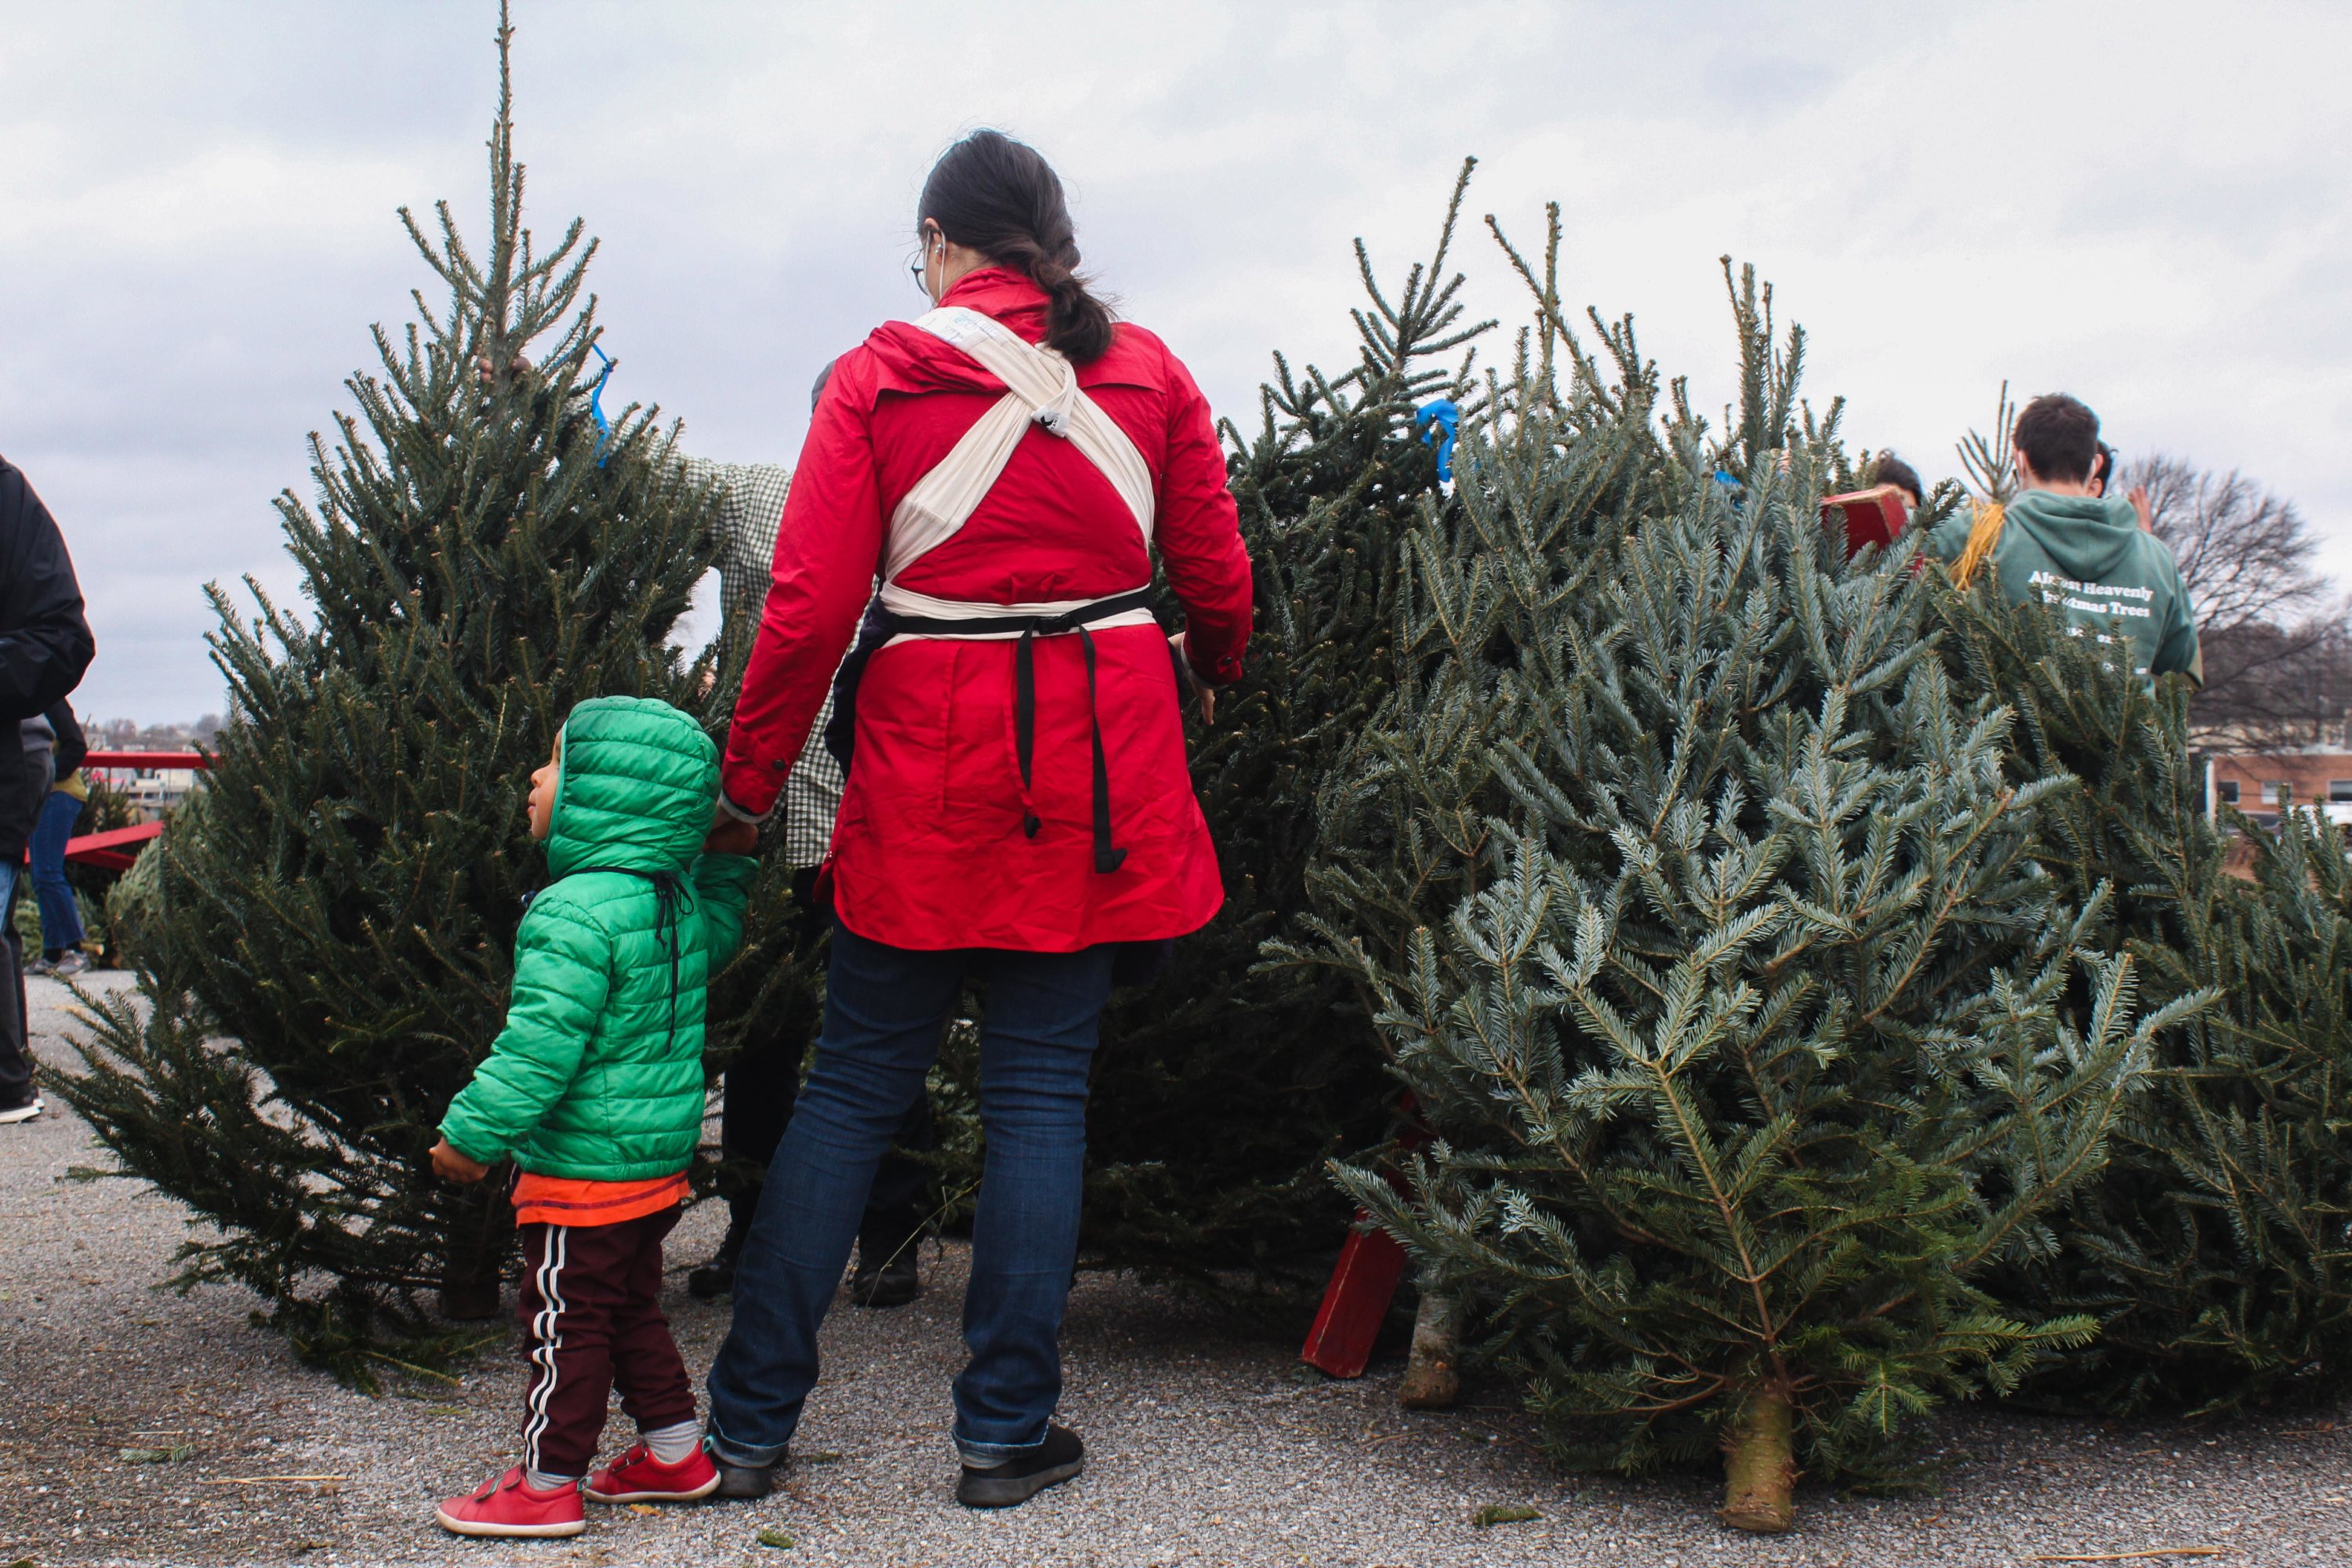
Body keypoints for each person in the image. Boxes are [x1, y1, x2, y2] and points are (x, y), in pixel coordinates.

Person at [700, 129, 1252, 1509]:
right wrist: (1220, 667)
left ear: (942, 243)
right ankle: (1004, 1433)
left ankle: (751, 1426)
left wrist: (748, 781)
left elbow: (807, 610)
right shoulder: (1151, 371)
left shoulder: (880, 377)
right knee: (1041, 1103)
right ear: (1053, 245)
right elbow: (1216, 576)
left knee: (846, 1095)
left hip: (922, 768)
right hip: (1100, 772)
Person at [426, 696, 757, 1539]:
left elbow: (539, 1046)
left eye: (555, 764)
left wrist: (471, 1135)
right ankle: (677, 1450)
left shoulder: (574, 911)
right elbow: (719, 937)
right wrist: (728, 861)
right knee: (627, 1305)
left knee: (564, 1320)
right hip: (654, 1165)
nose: (536, 778)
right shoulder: (667, 900)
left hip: (584, 1172)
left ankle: (546, 1482)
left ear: (605, 796)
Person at [681, 372, 934, 1310]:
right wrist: (547, 403)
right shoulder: (761, 497)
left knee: (882, 1029)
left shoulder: (937, 518)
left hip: (890, 818)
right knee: (764, 1037)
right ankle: (755, 1234)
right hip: (771, 823)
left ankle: (893, 1234)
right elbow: (650, 473)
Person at [1928, 393, 2199, 685]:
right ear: (2095, 464)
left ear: (2021, 459)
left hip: (2006, 730)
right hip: (2126, 731)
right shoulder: (2156, 556)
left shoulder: (1977, 532)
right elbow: (2178, 658)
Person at [0, 456, 96, 1126]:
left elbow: (62, 639)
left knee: (52, 877)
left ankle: (67, 949)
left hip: (42, 785)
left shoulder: (6, 498)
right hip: (44, 780)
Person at [25, 699, 92, 978]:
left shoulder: (49, 698)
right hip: (38, 797)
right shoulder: (24, 697)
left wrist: (48, 775)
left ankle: (77, 950)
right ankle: (52, 953)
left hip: (60, 794)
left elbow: (77, 746)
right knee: (41, 875)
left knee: (49, 873)